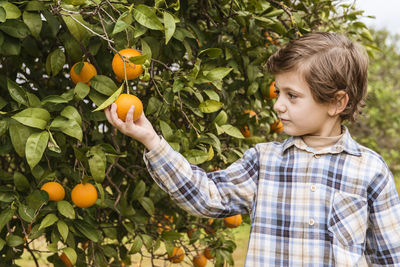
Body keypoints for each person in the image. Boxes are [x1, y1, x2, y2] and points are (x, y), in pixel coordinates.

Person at [105, 32, 400, 266]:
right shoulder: (265, 162)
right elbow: (207, 196)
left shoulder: (370, 171)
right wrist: (151, 140)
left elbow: (389, 257)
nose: (277, 104)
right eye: (277, 91)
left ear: (337, 102)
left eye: (292, 96)